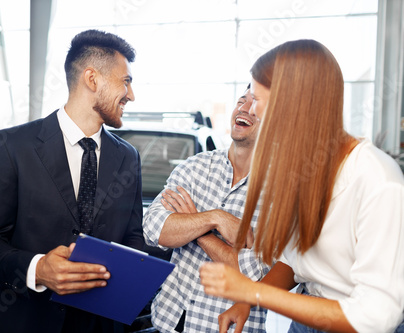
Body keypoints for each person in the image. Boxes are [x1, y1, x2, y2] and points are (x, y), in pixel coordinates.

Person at [200, 39, 404, 333]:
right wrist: (246, 300)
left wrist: (254, 292)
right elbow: (294, 259)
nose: (251, 111)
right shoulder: (306, 169)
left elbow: (375, 317)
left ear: (291, 104)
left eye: (256, 99)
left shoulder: (378, 181)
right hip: (308, 317)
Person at [0, 29, 143, 333]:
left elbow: (133, 236)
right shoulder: (12, 146)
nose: (131, 95)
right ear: (92, 78)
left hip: (99, 325)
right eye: (125, 81)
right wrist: (38, 269)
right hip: (25, 321)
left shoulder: (128, 157)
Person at [143, 85, 271, 332]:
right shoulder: (196, 166)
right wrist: (216, 218)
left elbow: (255, 274)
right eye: (241, 100)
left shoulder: (279, 194)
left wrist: (197, 229)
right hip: (168, 324)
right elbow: (154, 227)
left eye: (255, 104)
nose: (244, 108)